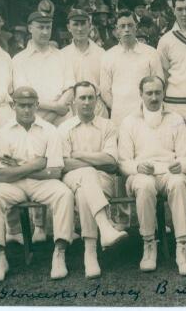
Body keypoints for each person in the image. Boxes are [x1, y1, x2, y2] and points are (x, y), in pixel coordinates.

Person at [0, 86, 74, 282]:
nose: (26, 110)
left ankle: (59, 254)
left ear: (37, 105)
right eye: (21, 105)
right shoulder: (4, 132)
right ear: (13, 105)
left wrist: (18, 167)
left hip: (43, 183)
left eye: (30, 105)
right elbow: (2, 176)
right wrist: (35, 164)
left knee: (64, 194)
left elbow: (55, 171)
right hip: (13, 185)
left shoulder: (49, 130)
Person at [118, 76, 186, 275]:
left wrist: (181, 165)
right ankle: (149, 244)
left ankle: (182, 246)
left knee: (178, 183)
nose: (153, 97)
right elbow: (123, 161)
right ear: (140, 94)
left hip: (169, 172)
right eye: (149, 93)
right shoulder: (129, 122)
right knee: (144, 185)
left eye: (157, 92)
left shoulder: (175, 119)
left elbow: (185, 156)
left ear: (163, 93)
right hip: (142, 174)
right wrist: (137, 167)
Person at [59, 81, 128, 279]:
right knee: (86, 176)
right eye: (82, 98)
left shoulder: (107, 126)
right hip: (71, 180)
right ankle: (105, 229)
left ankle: (90, 253)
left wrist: (79, 154)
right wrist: (93, 162)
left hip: (102, 182)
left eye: (91, 97)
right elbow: (63, 164)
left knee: (84, 193)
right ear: (74, 101)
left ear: (97, 100)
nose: (87, 102)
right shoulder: (64, 129)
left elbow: (110, 162)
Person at [100, 9, 163, 126]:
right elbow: (105, 91)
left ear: (136, 27)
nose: (126, 29)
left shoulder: (151, 53)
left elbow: (159, 84)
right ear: (116, 29)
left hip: (146, 116)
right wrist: (119, 107)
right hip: (119, 118)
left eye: (130, 25)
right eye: (122, 26)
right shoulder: (108, 56)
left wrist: (146, 108)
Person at [12, 11, 75, 126]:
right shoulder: (18, 60)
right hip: (35, 120)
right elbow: (25, 94)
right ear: (30, 28)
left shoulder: (62, 56)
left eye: (48, 27)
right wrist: (56, 107)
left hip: (63, 120)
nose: (45, 32)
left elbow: (70, 88)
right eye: (41, 27)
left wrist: (58, 110)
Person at [62, 9, 109, 118]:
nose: (80, 29)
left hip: (97, 108)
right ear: (69, 27)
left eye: (83, 24)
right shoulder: (62, 55)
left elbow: (106, 87)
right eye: (75, 24)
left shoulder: (101, 53)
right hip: (72, 110)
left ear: (90, 26)